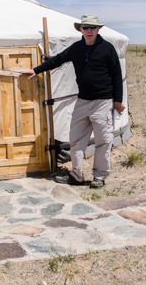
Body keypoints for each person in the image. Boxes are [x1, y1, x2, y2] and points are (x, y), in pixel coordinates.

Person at [21, 14, 124, 188]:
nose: (89, 30)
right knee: (76, 139)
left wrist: (117, 101)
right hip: (82, 101)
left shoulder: (107, 48)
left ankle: (99, 176)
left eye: (92, 27)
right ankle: (76, 175)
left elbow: (116, 75)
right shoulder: (77, 48)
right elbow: (58, 60)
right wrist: (36, 70)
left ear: (98, 29)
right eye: (86, 27)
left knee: (103, 141)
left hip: (102, 102)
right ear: (81, 29)